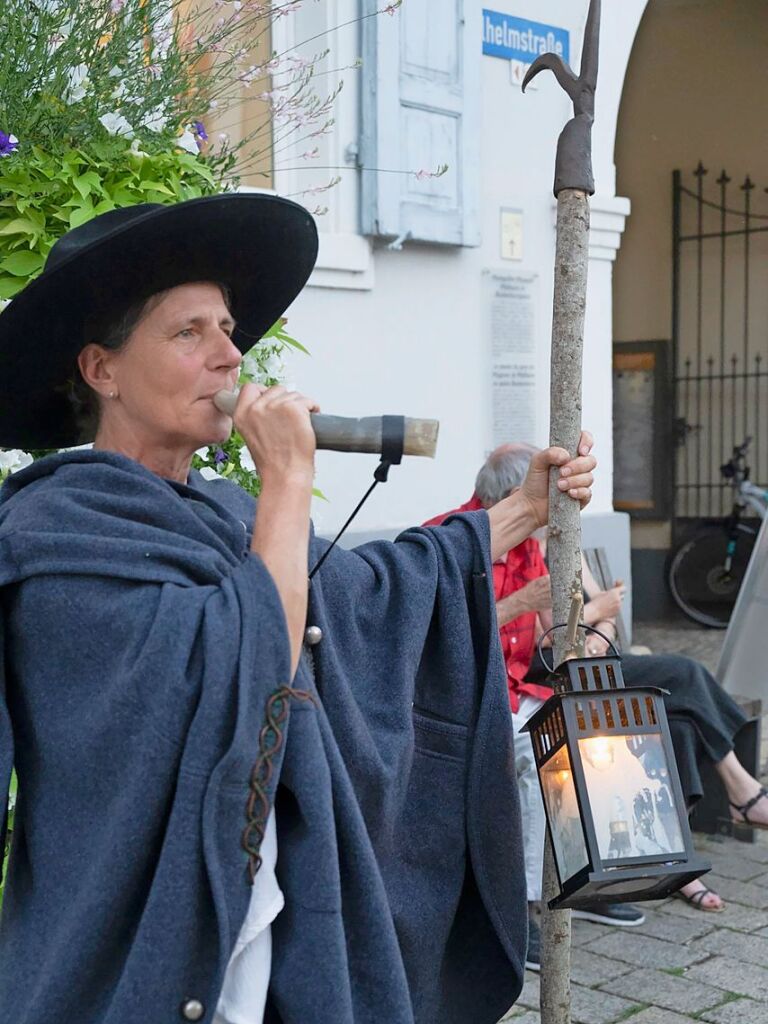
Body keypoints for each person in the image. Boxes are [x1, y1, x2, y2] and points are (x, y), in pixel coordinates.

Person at [0, 196, 596, 1024]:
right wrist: (284, 477)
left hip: (281, 949)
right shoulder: (53, 534)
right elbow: (247, 665)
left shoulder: (222, 515)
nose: (230, 355)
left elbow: (355, 595)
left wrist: (519, 514)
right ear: (102, 370)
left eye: (228, 327)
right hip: (136, 959)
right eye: (189, 333)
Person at [428, 443, 768, 941]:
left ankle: (631, 870)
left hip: (542, 673)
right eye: (538, 503)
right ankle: (528, 909)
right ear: (509, 498)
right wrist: (554, 610)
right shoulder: (451, 539)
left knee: (666, 713)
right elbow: (440, 629)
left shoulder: (538, 538)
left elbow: (566, 620)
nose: (547, 515)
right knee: (606, 723)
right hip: (485, 688)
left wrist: (594, 620)